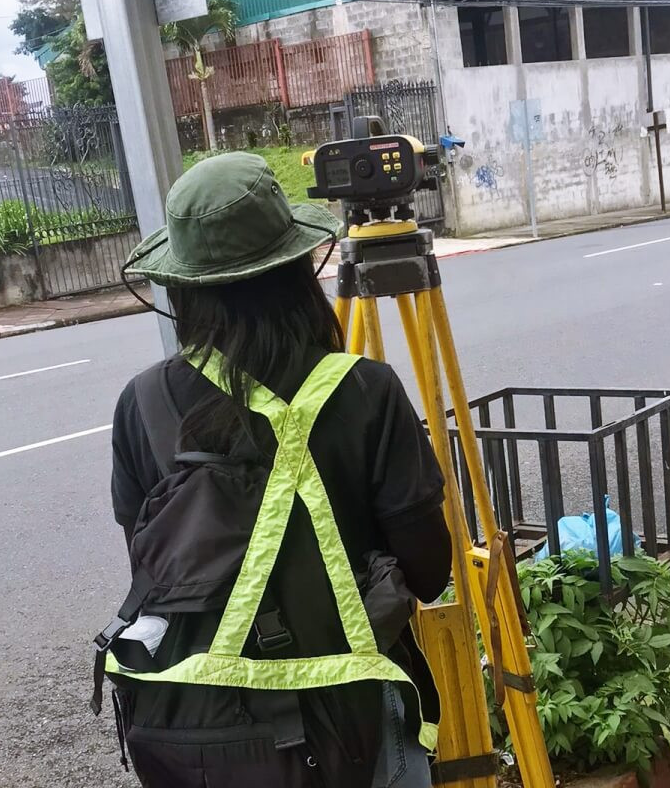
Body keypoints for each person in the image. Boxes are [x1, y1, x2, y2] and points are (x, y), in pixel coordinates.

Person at [97, 152, 452, 788]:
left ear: (181, 287)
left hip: (202, 738)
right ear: (295, 270)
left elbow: (153, 571)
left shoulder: (143, 403)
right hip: (353, 725)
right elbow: (429, 575)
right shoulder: (365, 391)